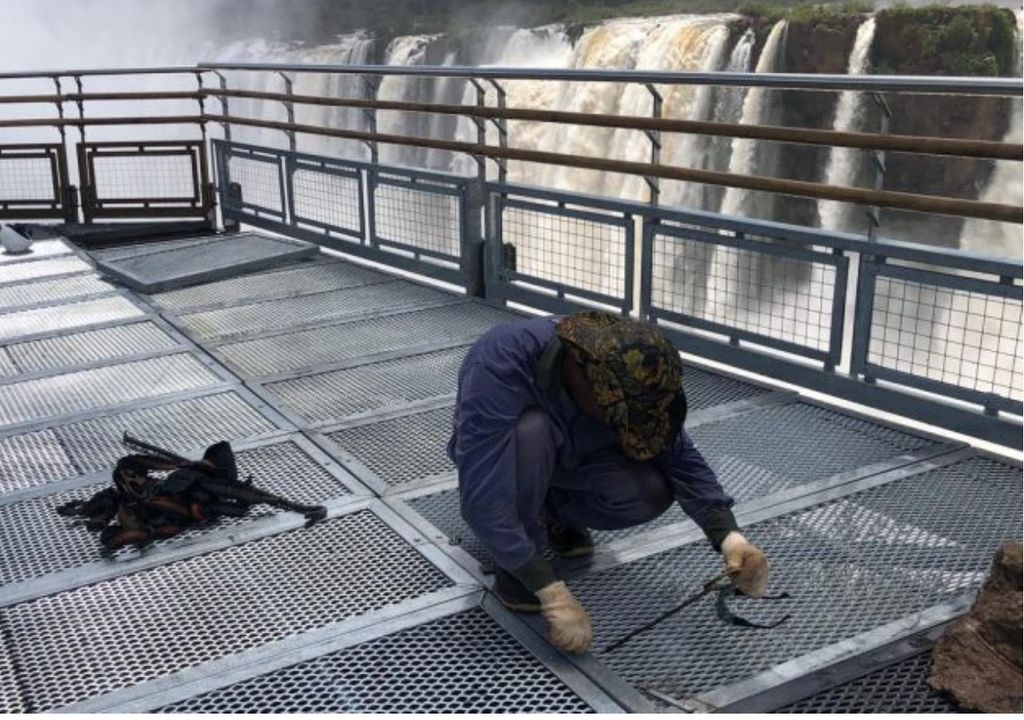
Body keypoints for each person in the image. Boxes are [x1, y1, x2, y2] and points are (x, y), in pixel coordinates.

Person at [447, 310, 770, 654]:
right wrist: (547, 588)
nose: (629, 424)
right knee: (532, 432)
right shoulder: (501, 361)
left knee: (650, 491)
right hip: (512, 458)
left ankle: (555, 516)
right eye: (620, 416)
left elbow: (680, 457)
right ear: (583, 377)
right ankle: (519, 563)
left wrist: (730, 537)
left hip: (576, 455)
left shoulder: (634, 362)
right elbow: (482, 499)